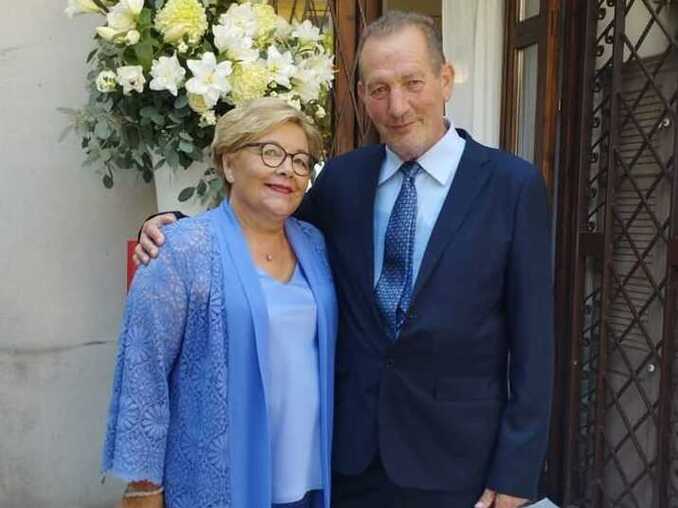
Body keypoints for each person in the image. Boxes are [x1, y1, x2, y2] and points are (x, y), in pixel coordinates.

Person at [136, 11, 553, 508]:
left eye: (413, 83)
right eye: (379, 89)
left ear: (445, 80)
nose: (397, 106)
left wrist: (516, 473)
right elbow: (266, 232)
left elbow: (534, 344)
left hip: (458, 464)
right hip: (349, 458)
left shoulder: (511, 186)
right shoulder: (341, 180)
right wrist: (179, 228)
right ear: (361, 97)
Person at [103, 97, 338, 508]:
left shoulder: (314, 244)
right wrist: (144, 486)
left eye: (301, 161)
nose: (288, 169)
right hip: (218, 483)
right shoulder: (180, 249)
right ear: (229, 164)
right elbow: (143, 370)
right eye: (270, 152)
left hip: (308, 479)